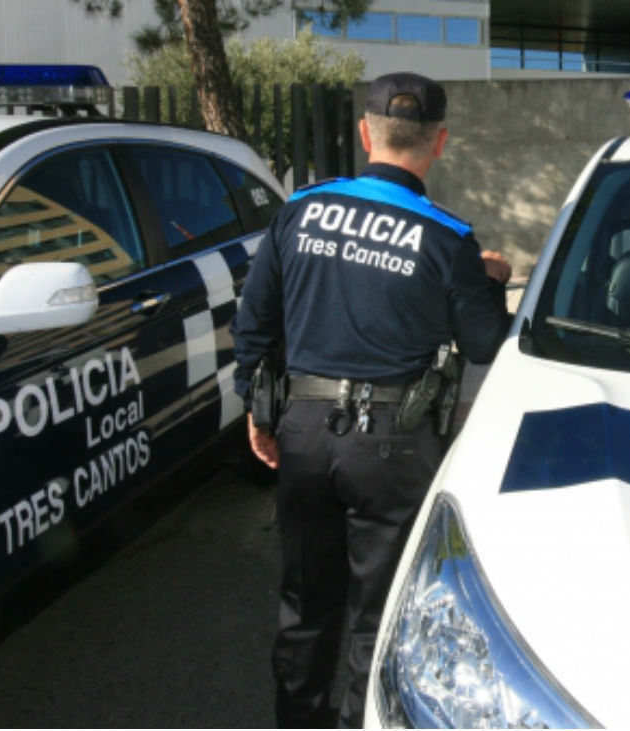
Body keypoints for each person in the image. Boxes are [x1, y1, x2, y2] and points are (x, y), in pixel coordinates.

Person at [231, 71, 513, 728]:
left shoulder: (300, 210)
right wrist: (490, 279)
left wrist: (258, 405)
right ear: (438, 142)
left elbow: (255, 321)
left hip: (303, 429)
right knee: (374, 614)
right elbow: (485, 343)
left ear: (365, 133)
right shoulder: (448, 238)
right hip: (395, 443)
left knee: (304, 604)